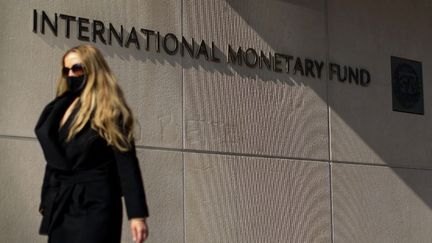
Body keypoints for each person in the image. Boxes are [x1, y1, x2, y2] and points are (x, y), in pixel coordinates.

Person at [34, 44, 149, 243]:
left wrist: (137, 215)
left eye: (76, 68)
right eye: (66, 70)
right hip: (64, 202)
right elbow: (53, 160)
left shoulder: (110, 110)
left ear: (92, 69)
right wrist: (47, 198)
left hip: (96, 204)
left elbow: (127, 164)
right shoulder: (60, 107)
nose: (71, 75)